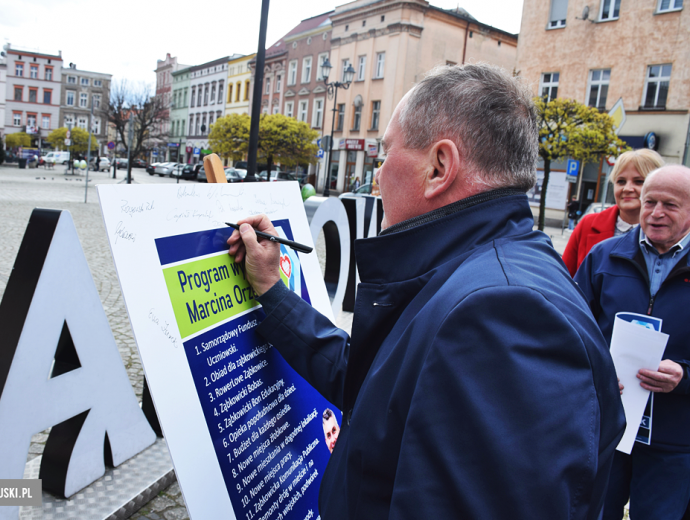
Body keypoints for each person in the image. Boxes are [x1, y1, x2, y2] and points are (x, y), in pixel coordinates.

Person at [227, 63, 625, 519]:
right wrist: (272, 290)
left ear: (439, 166)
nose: (376, 176)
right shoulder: (478, 272)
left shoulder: (500, 312)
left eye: (385, 155)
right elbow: (374, 386)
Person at [575, 165, 690, 520]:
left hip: (674, 438)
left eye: (669, 205)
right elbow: (570, 330)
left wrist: (684, 377)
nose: (656, 213)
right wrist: (594, 375)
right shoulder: (603, 257)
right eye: (649, 202)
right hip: (607, 426)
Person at [563, 149, 665, 277]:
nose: (627, 189)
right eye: (621, 181)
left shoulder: (669, 232)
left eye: (639, 181)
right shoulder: (587, 225)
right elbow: (563, 280)